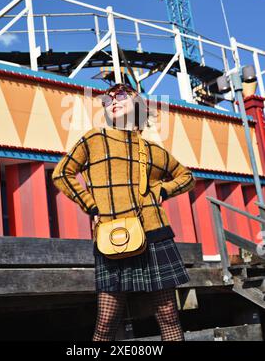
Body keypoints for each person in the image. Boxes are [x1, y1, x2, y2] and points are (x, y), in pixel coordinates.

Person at [52, 83, 196, 341]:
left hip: (155, 236)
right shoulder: (94, 138)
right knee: (106, 322)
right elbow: (62, 173)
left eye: (120, 95)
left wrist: (162, 190)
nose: (112, 100)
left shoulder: (153, 150)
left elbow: (187, 177)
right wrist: (91, 205)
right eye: (108, 99)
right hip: (113, 235)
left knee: (168, 317)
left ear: (137, 105)